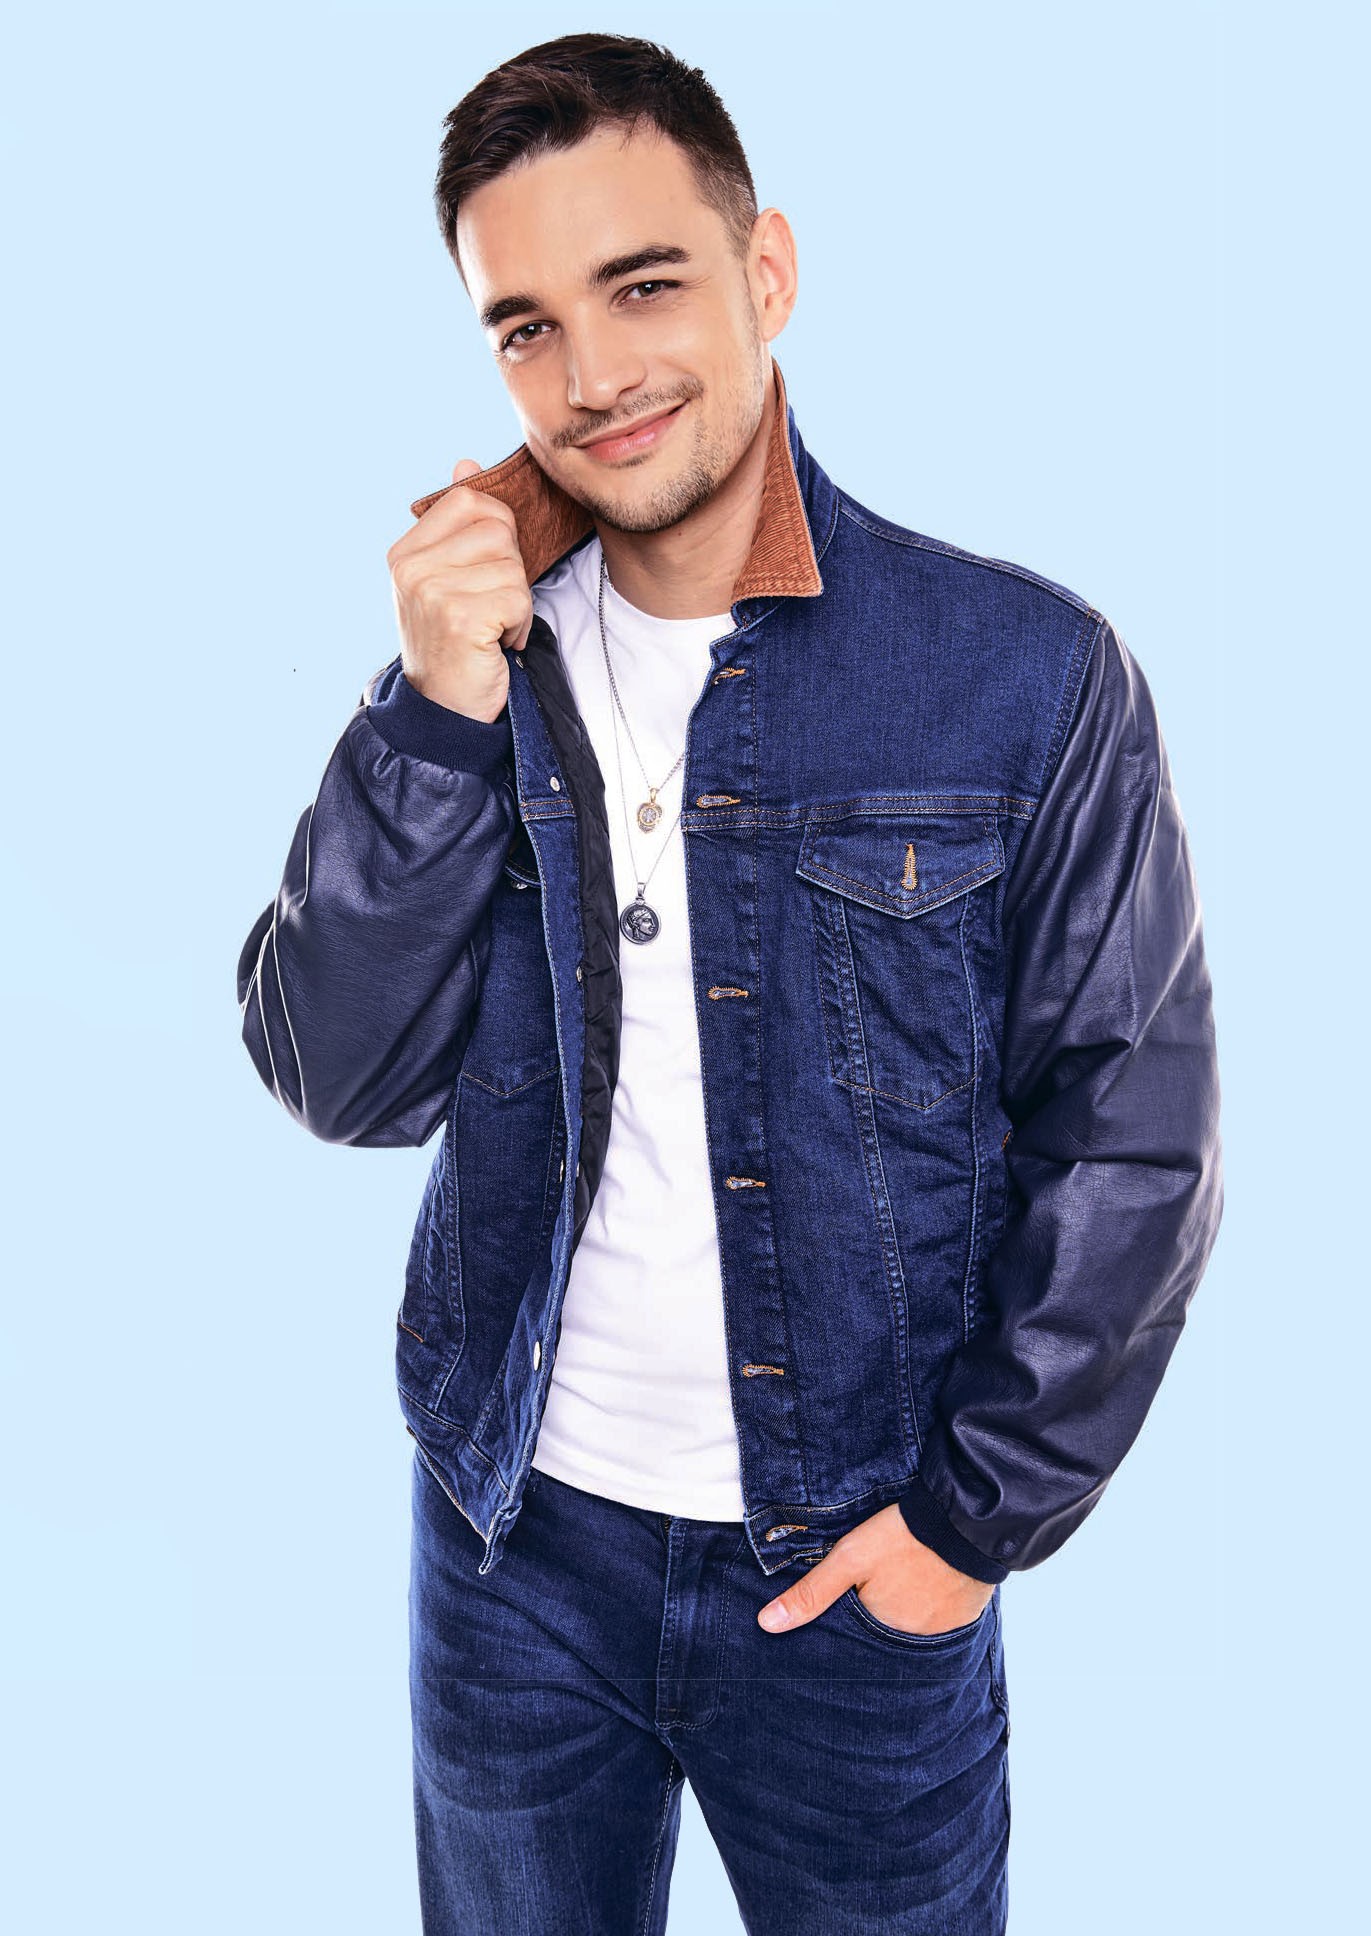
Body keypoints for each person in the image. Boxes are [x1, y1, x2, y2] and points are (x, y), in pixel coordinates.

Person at [236, 30, 1224, 1935]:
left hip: (854, 1578)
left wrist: (965, 1529)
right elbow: (337, 1077)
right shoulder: (477, 674)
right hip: (513, 1552)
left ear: (767, 270)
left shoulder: (1022, 677)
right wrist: (432, 716)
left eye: (645, 287)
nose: (594, 378)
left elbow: (1133, 1143)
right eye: (526, 328)